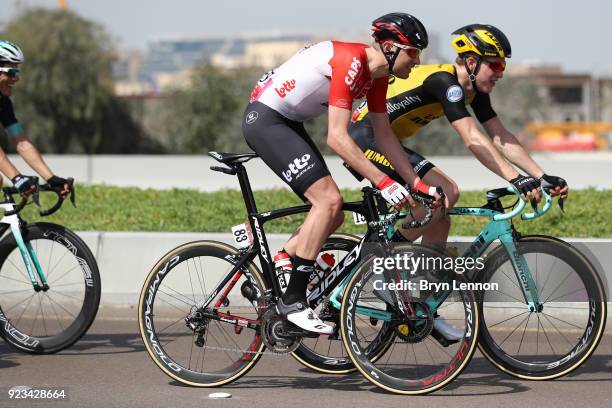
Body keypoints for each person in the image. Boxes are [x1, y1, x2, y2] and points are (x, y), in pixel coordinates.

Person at [348, 24, 569, 340]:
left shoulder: (473, 90)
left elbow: (499, 135)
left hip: (386, 143)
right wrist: (513, 178)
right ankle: (380, 267)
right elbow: (471, 136)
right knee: (447, 191)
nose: (501, 73)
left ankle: (426, 307)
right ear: (471, 61)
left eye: (503, 65)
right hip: (365, 139)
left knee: (440, 219)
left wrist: (539, 175)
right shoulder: (445, 82)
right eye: (496, 64)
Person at [242, 13, 443, 334]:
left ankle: (284, 262)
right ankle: (293, 301)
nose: (417, 62)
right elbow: (336, 137)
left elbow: (384, 135)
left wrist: (417, 183)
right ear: (390, 48)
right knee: (328, 202)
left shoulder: (378, 76)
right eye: (413, 52)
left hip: (288, 122)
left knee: (332, 214)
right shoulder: (352, 61)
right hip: (266, 119)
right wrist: (384, 182)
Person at [0, 40, 71, 198]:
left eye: (17, 73)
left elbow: (22, 143)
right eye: (12, 73)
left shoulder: (3, 103)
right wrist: (17, 178)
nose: (16, 79)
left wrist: (51, 178)